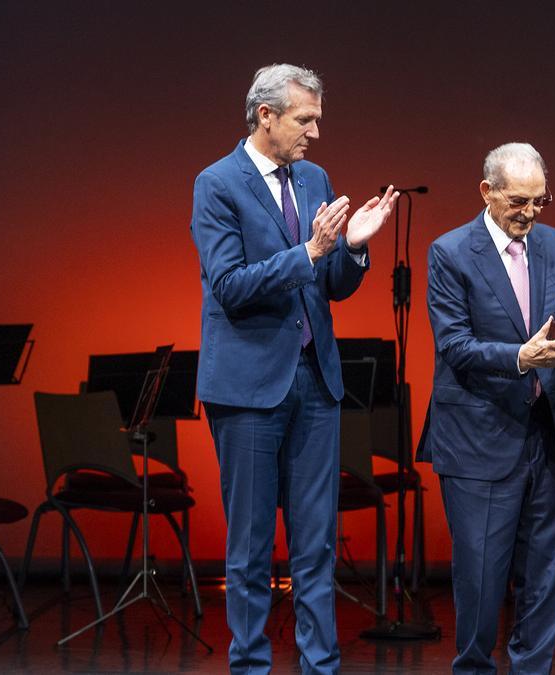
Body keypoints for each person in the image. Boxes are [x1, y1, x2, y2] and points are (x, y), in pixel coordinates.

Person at [190, 63, 397, 674]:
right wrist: (308, 251)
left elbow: (329, 283)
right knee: (251, 548)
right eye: (305, 120)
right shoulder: (217, 183)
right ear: (266, 116)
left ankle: (319, 667)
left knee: (316, 545)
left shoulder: (313, 178)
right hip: (249, 387)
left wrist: (353, 246)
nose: (315, 133)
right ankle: (251, 666)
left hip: (314, 380)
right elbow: (229, 286)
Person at [419, 142, 555, 674]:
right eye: (518, 201)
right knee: (480, 581)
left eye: (539, 201)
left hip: (546, 436)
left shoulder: (553, 241)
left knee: (544, 578)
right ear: (487, 192)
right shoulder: (451, 252)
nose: (530, 213)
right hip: (479, 437)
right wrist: (522, 357)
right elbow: (454, 346)